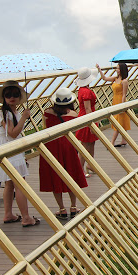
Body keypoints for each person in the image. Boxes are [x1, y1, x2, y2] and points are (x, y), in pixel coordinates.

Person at [0, 81, 39, 227]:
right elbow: (13, 133)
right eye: (8, 95)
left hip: (7, 152)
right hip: (12, 152)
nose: (12, 97)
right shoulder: (7, 113)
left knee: (9, 184)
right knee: (20, 184)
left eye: (15, 94)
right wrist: (24, 118)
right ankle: (26, 217)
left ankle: (8, 214)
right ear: (4, 97)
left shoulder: (8, 111)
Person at [39, 88, 89, 220]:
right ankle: (73, 206)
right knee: (70, 175)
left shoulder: (47, 112)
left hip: (51, 146)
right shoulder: (73, 114)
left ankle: (61, 209)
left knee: (55, 176)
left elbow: (45, 129)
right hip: (68, 146)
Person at [96, 62, 130, 147]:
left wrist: (122, 106)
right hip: (115, 100)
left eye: (118, 68)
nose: (116, 70)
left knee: (118, 122)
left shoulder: (124, 81)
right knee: (121, 121)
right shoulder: (115, 78)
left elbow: (124, 94)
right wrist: (99, 69)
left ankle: (112, 142)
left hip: (120, 101)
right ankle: (123, 140)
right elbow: (104, 78)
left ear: (121, 70)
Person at [74, 67, 99, 177]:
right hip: (87, 118)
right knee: (85, 145)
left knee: (91, 142)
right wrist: (91, 124)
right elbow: (88, 108)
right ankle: (80, 169)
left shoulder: (81, 90)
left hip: (85, 117)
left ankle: (90, 165)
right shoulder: (87, 92)